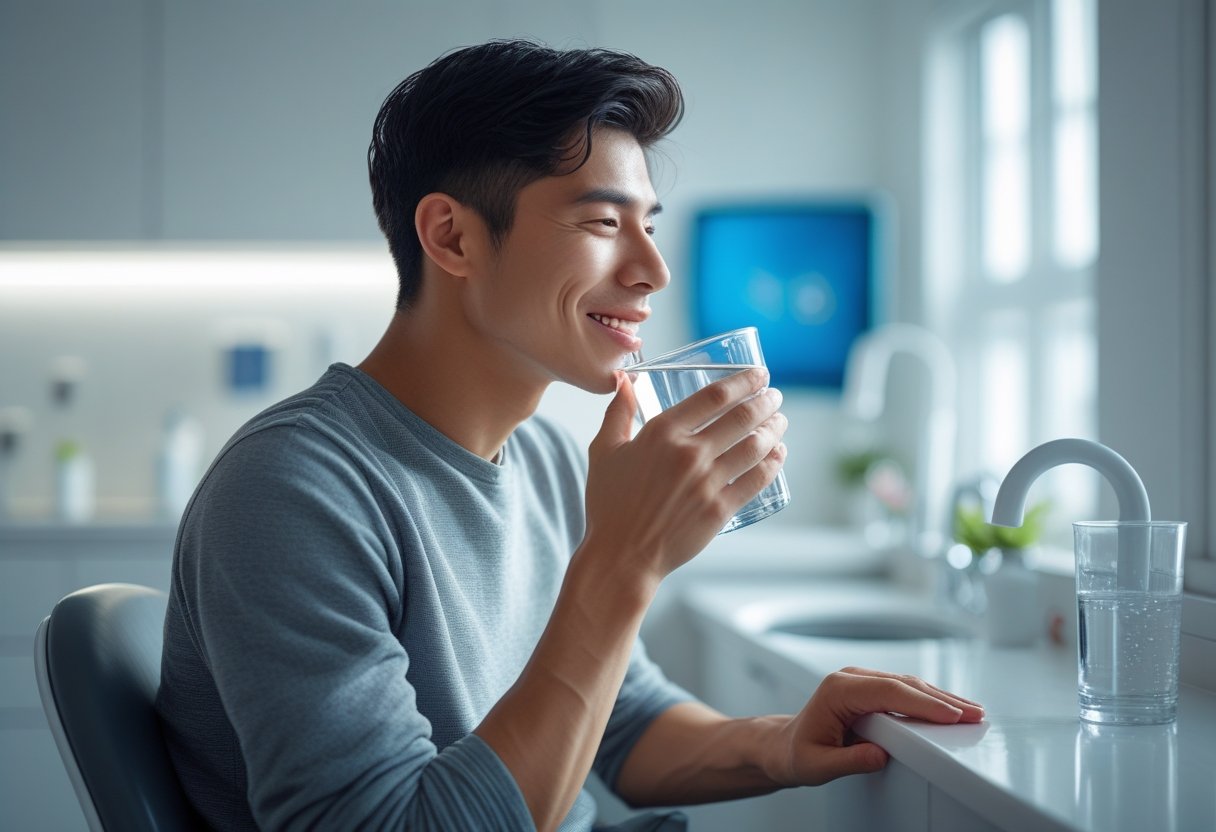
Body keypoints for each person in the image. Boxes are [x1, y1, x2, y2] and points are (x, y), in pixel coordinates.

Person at [156, 39, 984, 831]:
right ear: (452, 236)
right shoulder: (292, 491)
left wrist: (781, 741)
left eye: (649, 225)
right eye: (601, 223)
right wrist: (622, 562)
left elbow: (621, 723)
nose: (653, 271)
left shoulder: (548, 459)